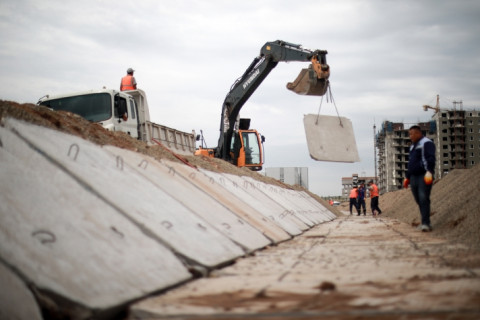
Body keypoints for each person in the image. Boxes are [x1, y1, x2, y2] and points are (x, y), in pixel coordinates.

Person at [403, 125, 436, 232]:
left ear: (418, 133)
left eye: (411, 134)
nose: (410, 136)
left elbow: (430, 158)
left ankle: (426, 223)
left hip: (424, 175)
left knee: (423, 198)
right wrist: (407, 177)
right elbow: (411, 162)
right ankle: (424, 222)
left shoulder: (426, 143)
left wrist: (429, 172)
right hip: (413, 177)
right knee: (418, 199)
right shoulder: (412, 146)